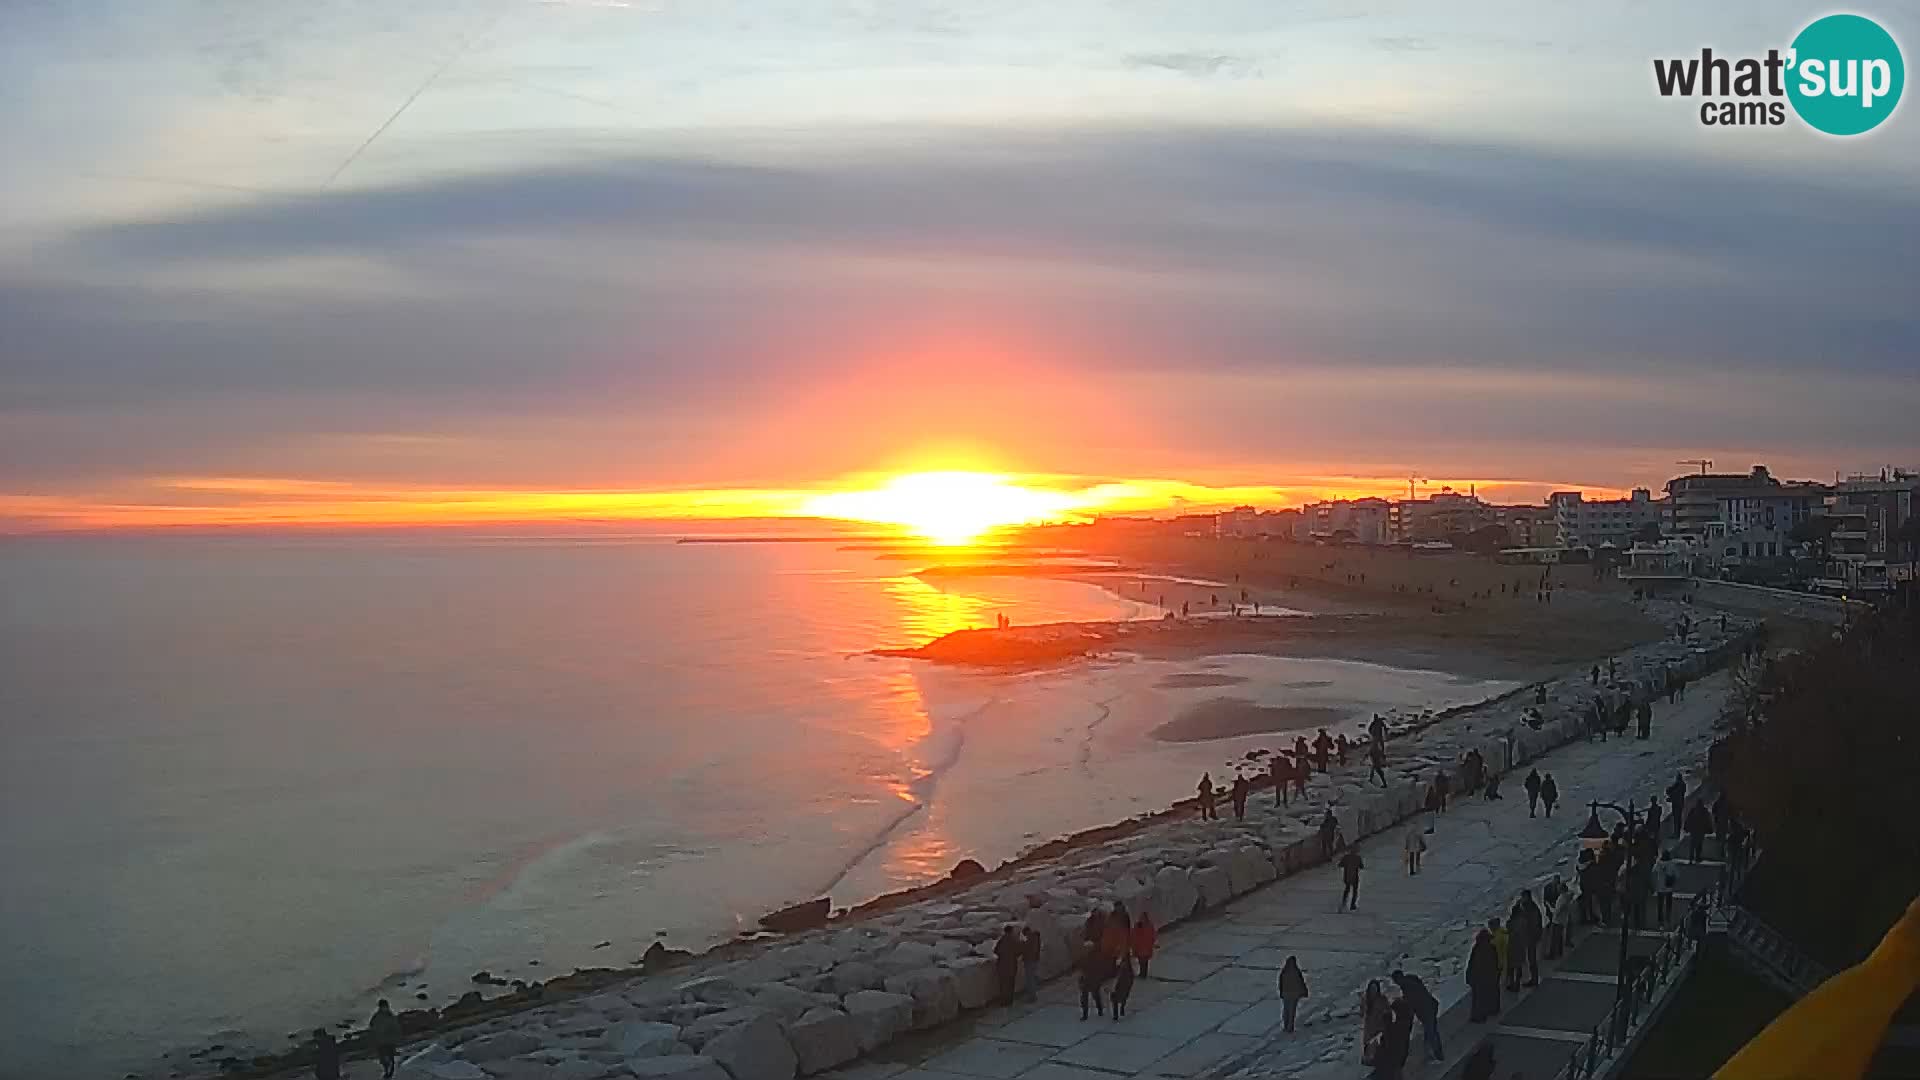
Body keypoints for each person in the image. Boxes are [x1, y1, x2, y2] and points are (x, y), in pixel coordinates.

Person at [1390, 970, 1444, 1061]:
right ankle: (1433, 1053)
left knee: (1431, 1033)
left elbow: (1413, 1002)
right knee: (1431, 1032)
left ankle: (1438, 1055)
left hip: (1425, 1010)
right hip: (1431, 1006)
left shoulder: (1407, 987)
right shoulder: (1411, 980)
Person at [1372, 998, 1412, 1080]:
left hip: (1393, 1058)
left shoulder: (1397, 1027)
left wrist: (1386, 1019)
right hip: (1399, 1056)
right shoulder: (1406, 1022)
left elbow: (1389, 1039)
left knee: (1393, 1074)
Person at [1467, 929, 1501, 1021]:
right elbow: (1495, 962)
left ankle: (1479, 1015)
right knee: (1488, 994)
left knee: (1478, 997)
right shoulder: (1491, 948)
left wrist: (1469, 976)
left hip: (1479, 977)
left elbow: (1472, 964)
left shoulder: (1477, 948)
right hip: (1488, 976)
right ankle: (1491, 1010)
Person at [1511, 890, 1542, 988]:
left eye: (1523, 897)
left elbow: (1531, 922)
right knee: (1528, 958)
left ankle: (1534, 979)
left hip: (1530, 937)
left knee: (1531, 959)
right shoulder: (1530, 907)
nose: (1521, 899)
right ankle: (1532, 978)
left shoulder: (1530, 909)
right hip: (1528, 936)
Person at [1359, 980, 1392, 1066]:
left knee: (1378, 1045)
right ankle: (1368, 1060)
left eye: (1375, 988)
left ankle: (1378, 1061)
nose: (1373, 990)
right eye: (1372, 988)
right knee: (1368, 1045)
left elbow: (1388, 1010)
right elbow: (1362, 1013)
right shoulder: (1365, 999)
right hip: (1369, 1026)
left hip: (1379, 1025)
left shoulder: (1382, 999)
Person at [1078, 937, 1110, 1019]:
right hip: (1087, 978)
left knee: (1095, 995)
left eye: (1088, 948)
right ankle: (1086, 1013)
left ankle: (1099, 1009)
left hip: (1093, 978)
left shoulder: (1095, 956)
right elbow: (1081, 968)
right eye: (1086, 948)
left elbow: (1100, 968)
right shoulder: (1084, 956)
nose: (1087, 949)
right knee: (1086, 996)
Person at [369, 999, 402, 1079]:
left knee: (390, 1057)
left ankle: (390, 1072)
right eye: (382, 1007)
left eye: (385, 1006)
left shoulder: (390, 1015)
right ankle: (386, 1070)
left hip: (389, 1041)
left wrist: (396, 1036)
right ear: (380, 1007)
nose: (384, 1008)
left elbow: (396, 1027)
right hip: (380, 1041)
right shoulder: (377, 1016)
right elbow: (371, 1025)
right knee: (383, 1059)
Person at [1277, 956, 1309, 1032]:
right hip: (1294, 994)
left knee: (1286, 1010)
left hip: (1285, 994)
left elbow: (1280, 983)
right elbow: (1301, 982)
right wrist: (1305, 992)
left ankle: (1285, 1025)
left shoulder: (1284, 971)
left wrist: (1281, 992)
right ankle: (1290, 1027)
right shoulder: (1296, 971)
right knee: (1292, 1011)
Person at [994, 925, 1023, 1003]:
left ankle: (1004, 1000)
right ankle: (1009, 1000)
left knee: (1003, 983)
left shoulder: (1001, 940)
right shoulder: (1014, 940)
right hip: (1011, 964)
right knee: (1010, 983)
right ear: (1011, 931)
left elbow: (996, 951)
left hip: (1002, 964)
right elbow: (1019, 951)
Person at [1110, 947, 1136, 1019]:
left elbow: (1118, 973)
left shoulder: (1123, 965)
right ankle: (1121, 1009)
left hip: (1121, 984)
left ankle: (1116, 1014)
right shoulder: (1128, 966)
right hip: (1126, 984)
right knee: (1123, 998)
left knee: (1115, 998)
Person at [1021, 926, 1043, 1001]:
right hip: (1035, 959)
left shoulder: (1030, 938)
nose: (1025, 936)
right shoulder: (1036, 937)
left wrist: (1022, 944)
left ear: (1027, 932)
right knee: (1033, 977)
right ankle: (1034, 993)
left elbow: (1027, 948)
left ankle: (1032, 996)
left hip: (1030, 960)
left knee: (1030, 979)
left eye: (1025, 934)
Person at [1339, 846, 1364, 911]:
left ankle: (1344, 902)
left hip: (1347, 876)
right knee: (1355, 891)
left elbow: (1340, 865)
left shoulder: (1346, 857)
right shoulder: (1358, 858)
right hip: (1355, 877)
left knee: (1347, 889)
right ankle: (1352, 904)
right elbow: (1361, 866)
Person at [1131, 914, 1156, 978]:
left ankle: (1143, 974)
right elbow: (1133, 935)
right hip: (1141, 947)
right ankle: (1143, 973)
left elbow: (1153, 935)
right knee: (1142, 961)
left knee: (1144, 961)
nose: (1142, 919)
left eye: (1143, 918)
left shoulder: (1147, 925)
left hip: (1145, 947)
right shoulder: (1141, 926)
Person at [1657, 852, 1678, 927]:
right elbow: (1677, 875)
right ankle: (1668, 918)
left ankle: (1660, 921)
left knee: (1660, 905)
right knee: (1668, 904)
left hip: (1660, 887)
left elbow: (1653, 871)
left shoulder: (1658, 863)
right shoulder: (1672, 864)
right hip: (1669, 888)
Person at [1488, 918, 1510, 990]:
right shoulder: (1503, 932)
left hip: (1499, 961)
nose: (1489, 928)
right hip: (1505, 958)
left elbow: (1497, 951)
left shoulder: (1496, 937)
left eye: (1490, 926)